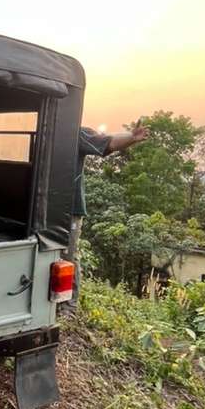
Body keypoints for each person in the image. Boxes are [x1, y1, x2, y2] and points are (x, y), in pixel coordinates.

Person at [67, 123, 150, 302]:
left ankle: (69, 306)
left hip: (70, 208)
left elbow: (108, 143)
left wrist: (131, 138)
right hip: (42, 206)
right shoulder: (43, 125)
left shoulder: (77, 132)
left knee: (68, 256)